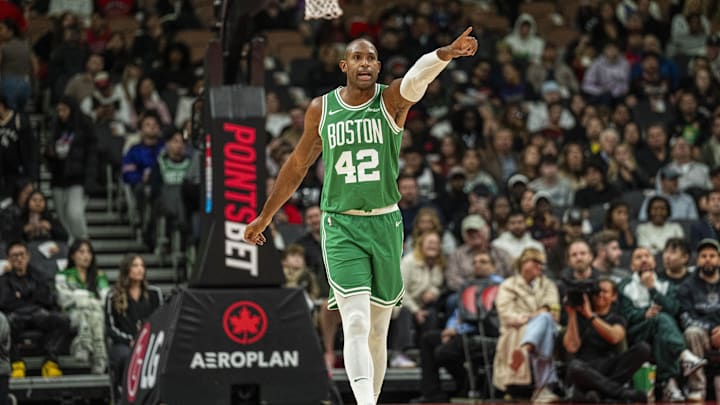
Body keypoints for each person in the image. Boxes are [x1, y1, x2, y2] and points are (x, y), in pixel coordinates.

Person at [245, 28, 479, 405]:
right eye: (357, 57)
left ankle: (370, 398)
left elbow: (416, 79)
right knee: (354, 320)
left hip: (386, 223)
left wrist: (445, 55)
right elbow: (296, 165)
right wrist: (265, 216)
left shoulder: (390, 102)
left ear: (378, 66)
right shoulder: (322, 109)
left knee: (376, 332)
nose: (365, 63)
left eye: (371, 58)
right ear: (344, 66)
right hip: (341, 224)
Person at [618, 247, 707, 401]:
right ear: (632, 265)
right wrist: (643, 314)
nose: (644, 259)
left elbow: (675, 309)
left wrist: (652, 289)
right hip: (638, 332)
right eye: (638, 257)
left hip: (662, 333)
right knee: (661, 319)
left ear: (654, 261)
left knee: (662, 331)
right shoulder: (625, 286)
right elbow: (624, 314)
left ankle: (670, 386)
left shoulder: (665, 284)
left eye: (647, 256)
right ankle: (684, 355)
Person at [563, 277, 650, 402]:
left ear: (614, 297)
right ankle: (621, 393)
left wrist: (590, 316)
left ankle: (599, 392)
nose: (600, 294)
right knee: (575, 366)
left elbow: (614, 337)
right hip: (586, 368)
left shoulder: (617, 319)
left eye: (605, 291)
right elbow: (571, 347)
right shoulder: (579, 316)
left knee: (643, 349)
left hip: (610, 367)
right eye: (597, 291)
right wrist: (571, 314)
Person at [493, 248, 560, 403]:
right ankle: (543, 388)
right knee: (543, 322)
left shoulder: (548, 285)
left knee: (545, 321)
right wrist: (532, 317)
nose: (540, 267)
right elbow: (507, 316)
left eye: (542, 264)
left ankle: (525, 348)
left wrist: (538, 316)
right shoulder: (508, 285)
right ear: (523, 263)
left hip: (546, 326)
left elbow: (554, 311)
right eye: (535, 262)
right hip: (515, 329)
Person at [0, 241, 71, 378]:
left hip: (38, 313)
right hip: (15, 316)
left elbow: (47, 299)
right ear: (8, 259)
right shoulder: (3, 280)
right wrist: (30, 295)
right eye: (14, 256)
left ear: (28, 256)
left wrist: (20, 296)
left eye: (21, 255)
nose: (19, 259)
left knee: (62, 320)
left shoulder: (39, 275)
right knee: (4, 324)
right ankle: (16, 363)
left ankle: (50, 361)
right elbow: (4, 302)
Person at [105, 254, 163, 396]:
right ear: (126, 270)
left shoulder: (154, 293)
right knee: (126, 356)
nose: (140, 269)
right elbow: (110, 327)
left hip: (150, 342)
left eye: (142, 266)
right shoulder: (113, 296)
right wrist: (130, 340)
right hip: (124, 344)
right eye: (135, 266)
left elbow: (163, 320)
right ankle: (123, 393)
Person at [56, 239, 109, 374]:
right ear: (73, 255)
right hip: (72, 315)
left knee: (93, 313)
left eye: (89, 252)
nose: (86, 256)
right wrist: (89, 298)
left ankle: (83, 345)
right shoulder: (63, 274)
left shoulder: (99, 275)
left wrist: (80, 297)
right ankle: (99, 355)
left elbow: (106, 298)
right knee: (87, 311)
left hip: (95, 315)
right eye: (82, 252)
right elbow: (62, 298)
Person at [677, 238, 720, 401]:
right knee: (691, 332)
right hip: (702, 335)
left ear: (719, 259)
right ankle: (697, 388)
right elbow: (685, 318)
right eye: (703, 256)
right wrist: (712, 330)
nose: (708, 259)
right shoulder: (687, 285)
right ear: (697, 260)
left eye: (712, 255)